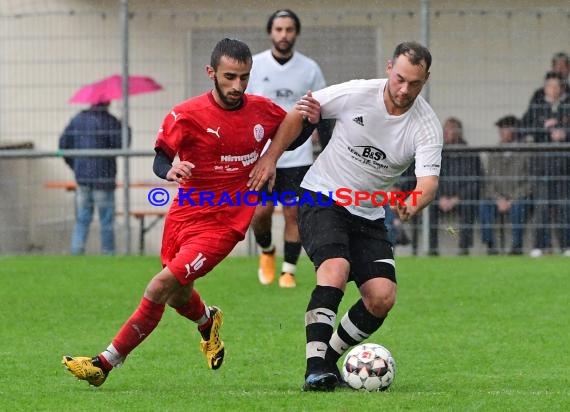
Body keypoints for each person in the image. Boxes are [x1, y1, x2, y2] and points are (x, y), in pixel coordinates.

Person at [61, 38, 321, 387]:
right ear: (211, 72)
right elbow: (160, 157)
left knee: (160, 287)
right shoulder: (186, 114)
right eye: (230, 76)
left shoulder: (261, 110)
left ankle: (104, 363)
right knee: (178, 295)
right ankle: (206, 321)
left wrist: (297, 134)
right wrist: (169, 170)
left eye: (244, 77)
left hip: (226, 223)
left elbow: (294, 130)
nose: (237, 86)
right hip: (184, 215)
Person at [249, 41, 443, 391]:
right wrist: (270, 158)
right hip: (322, 195)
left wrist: (414, 202)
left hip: (368, 213)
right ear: (389, 68)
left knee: (381, 297)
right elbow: (301, 112)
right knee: (335, 269)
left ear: (426, 79)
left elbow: (427, 183)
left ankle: (328, 360)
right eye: (400, 78)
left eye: (414, 83)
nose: (404, 89)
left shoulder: (426, 124)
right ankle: (314, 369)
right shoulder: (356, 93)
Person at [247, 9, 327, 288]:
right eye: (279, 29)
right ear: (270, 32)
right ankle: (267, 251)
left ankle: (288, 271)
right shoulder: (255, 65)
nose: (283, 35)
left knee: (294, 213)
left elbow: (321, 107)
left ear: (296, 33)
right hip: (263, 157)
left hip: (298, 155)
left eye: (289, 29)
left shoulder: (310, 69)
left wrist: (316, 131)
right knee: (260, 213)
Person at [58, 101, 126, 255]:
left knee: (82, 219)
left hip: (83, 179)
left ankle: (76, 251)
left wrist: (75, 166)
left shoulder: (78, 119)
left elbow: (63, 145)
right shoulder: (110, 120)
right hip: (104, 178)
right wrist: (124, 127)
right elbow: (121, 145)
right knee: (106, 221)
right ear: (107, 102)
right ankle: (108, 253)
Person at [521, 71, 570, 257]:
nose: (553, 89)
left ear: (561, 88)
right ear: (545, 87)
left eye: (556, 86)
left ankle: (566, 246)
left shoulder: (567, 105)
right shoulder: (536, 107)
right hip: (542, 165)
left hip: (565, 166)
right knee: (542, 206)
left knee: (564, 207)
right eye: (550, 86)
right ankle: (539, 246)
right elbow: (523, 127)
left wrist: (564, 133)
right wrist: (544, 127)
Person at [479, 115, 532, 255]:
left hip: (518, 198)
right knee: (484, 206)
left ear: (515, 130)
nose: (502, 132)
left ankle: (516, 246)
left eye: (506, 128)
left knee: (519, 208)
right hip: (498, 198)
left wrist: (512, 199)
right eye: (501, 129)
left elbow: (530, 182)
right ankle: (490, 245)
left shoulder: (525, 152)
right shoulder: (494, 153)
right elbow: (488, 182)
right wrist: (498, 199)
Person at [429, 117, 482, 256]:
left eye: (450, 129)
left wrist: (457, 198)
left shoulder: (470, 154)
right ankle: (431, 248)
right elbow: (431, 178)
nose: (446, 133)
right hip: (439, 198)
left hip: (462, 199)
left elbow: (475, 181)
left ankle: (464, 248)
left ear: (459, 132)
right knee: (427, 205)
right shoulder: (436, 153)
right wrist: (440, 197)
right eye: (444, 129)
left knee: (469, 205)